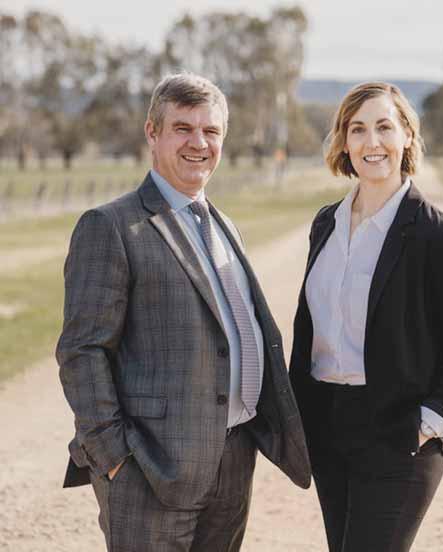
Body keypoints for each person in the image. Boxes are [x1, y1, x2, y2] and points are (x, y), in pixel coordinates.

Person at [56, 72, 311, 552]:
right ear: (152, 133)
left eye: (211, 131)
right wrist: (115, 458)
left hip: (233, 462)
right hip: (150, 469)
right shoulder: (111, 226)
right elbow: (81, 352)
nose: (199, 143)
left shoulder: (224, 225)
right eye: (183, 128)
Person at [289, 82, 443, 552]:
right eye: (357, 129)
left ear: (407, 137)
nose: (371, 141)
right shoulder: (325, 224)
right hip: (328, 427)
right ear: (344, 142)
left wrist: (429, 423)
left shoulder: (439, 235)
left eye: (384, 127)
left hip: (401, 433)